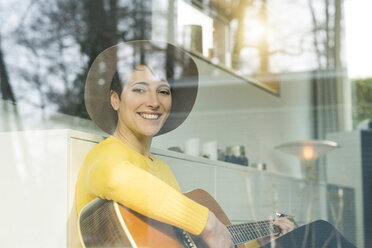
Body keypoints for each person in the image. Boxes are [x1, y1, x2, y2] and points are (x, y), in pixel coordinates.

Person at [76, 40, 356, 248]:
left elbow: (211, 239)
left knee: (311, 235)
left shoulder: (159, 168)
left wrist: (264, 238)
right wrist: (207, 223)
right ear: (115, 99)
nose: (154, 101)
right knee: (320, 234)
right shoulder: (106, 155)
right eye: (139, 89)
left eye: (163, 90)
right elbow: (115, 179)